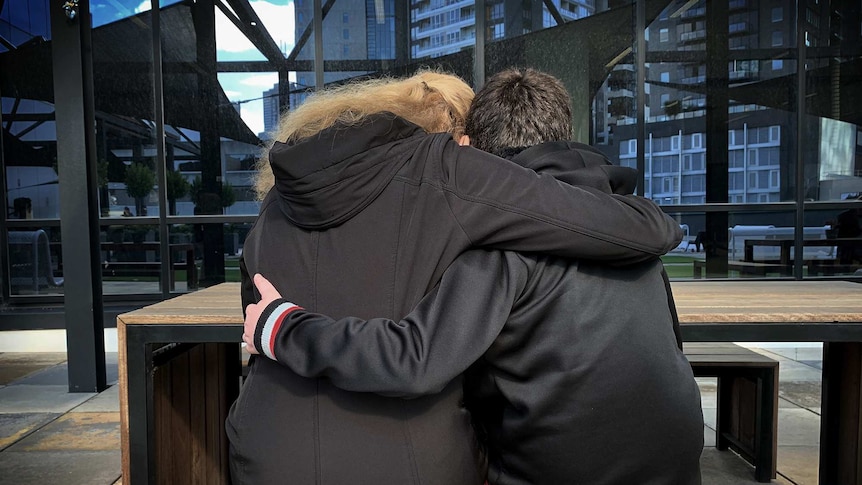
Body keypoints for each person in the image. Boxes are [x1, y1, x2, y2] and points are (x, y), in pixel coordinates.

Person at [242, 68, 703, 484]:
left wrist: (283, 327)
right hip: (676, 460)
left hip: (264, 442)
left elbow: (415, 358)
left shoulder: (277, 209)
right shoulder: (624, 243)